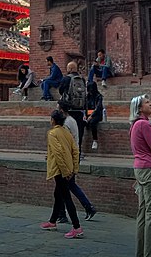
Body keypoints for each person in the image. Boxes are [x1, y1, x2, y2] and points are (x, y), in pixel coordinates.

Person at [130, 94, 151, 257]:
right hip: (150, 169)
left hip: (140, 169)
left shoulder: (135, 124)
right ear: (139, 108)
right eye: (147, 102)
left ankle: (141, 252)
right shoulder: (144, 125)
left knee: (143, 213)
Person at [40, 110, 83, 238]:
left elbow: (58, 153)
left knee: (66, 197)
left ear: (53, 120)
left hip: (60, 170)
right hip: (68, 168)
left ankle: (77, 227)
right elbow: (75, 151)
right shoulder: (67, 133)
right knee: (58, 194)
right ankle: (53, 221)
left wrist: (65, 172)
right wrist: (74, 169)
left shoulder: (52, 133)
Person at [55, 101, 97, 222]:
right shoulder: (71, 120)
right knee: (67, 185)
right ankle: (63, 213)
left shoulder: (66, 123)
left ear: (61, 110)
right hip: (73, 155)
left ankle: (67, 213)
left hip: (68, 157)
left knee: (66, 185)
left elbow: (65, 143)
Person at [58, 61, 87, 155]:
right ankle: (78, 152)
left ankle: (68, 151)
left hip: (69, 109)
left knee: (68, 131)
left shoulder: (66, 78)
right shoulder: (82, 79)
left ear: (70, 69)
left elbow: (60, 91)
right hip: (80, 109)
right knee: (79, 131)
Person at [85, 81, 104, 150]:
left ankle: (95, 140)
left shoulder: (98, 96)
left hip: (97, 114)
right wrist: (85, 115)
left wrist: (91, 116)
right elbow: (86, 107)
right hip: (89, 113)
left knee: (93, 122)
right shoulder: (87, 97)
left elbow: (98, 108)